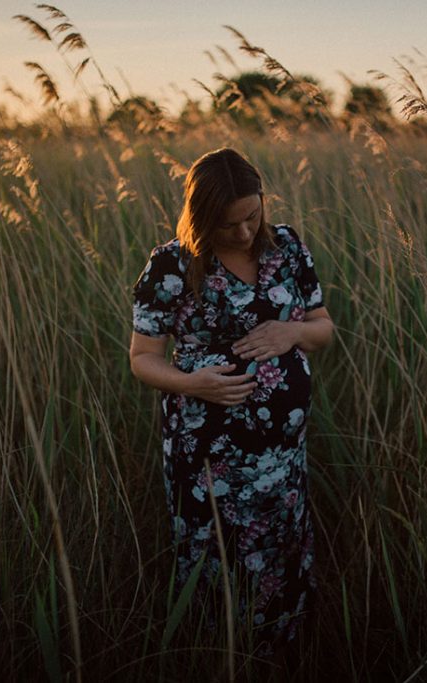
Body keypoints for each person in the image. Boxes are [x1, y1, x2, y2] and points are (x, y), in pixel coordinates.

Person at [129, 147, 334, 659]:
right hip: (208, 456)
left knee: (281, 553)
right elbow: (142, 358)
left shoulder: (287, 247)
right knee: (215, 559)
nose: (244, 233)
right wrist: (193, 383)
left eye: (251, 215)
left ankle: (282, 655)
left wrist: (291, 331)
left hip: (284, 457)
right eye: (227, 224)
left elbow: (324, 328)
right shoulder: (171, 266)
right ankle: (216, 655)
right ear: (201, 218)